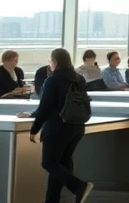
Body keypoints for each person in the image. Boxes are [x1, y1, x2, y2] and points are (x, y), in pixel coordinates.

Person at [17, 47, 94, 203]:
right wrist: (33, 114)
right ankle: (52, 200)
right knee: (62, 164)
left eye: (50, 61)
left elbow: (46, 106)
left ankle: (79, 186)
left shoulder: (54, 80)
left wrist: (35, 128)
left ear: (55, 61)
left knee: (49, 162)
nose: (49, 64)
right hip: (77, 126)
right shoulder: (78, 78)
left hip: (58, 128)